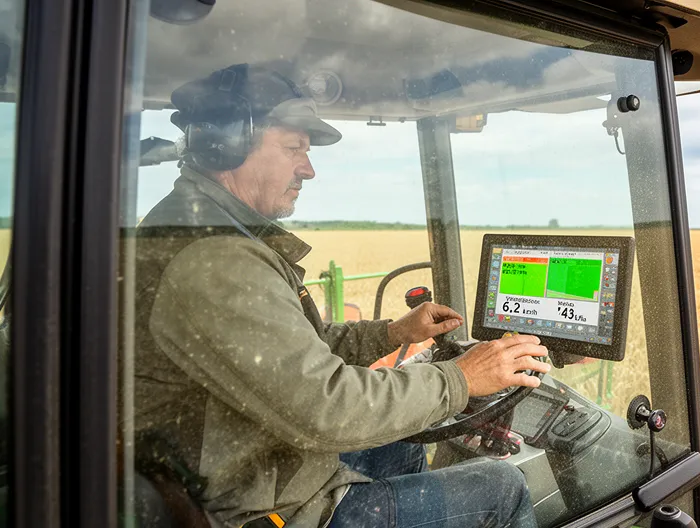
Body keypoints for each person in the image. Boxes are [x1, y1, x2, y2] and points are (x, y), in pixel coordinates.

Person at [130, 63, 550, 528]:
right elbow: (325, 408)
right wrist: (461, 379)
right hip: (258, 507)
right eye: (294, 149)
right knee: (501, 488)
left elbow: (287, 356)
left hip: (250, 467)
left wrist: (392, 332)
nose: (308, 169)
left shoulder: (207, 233)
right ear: (227, 145)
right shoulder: (218, 262)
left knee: (398, 438)